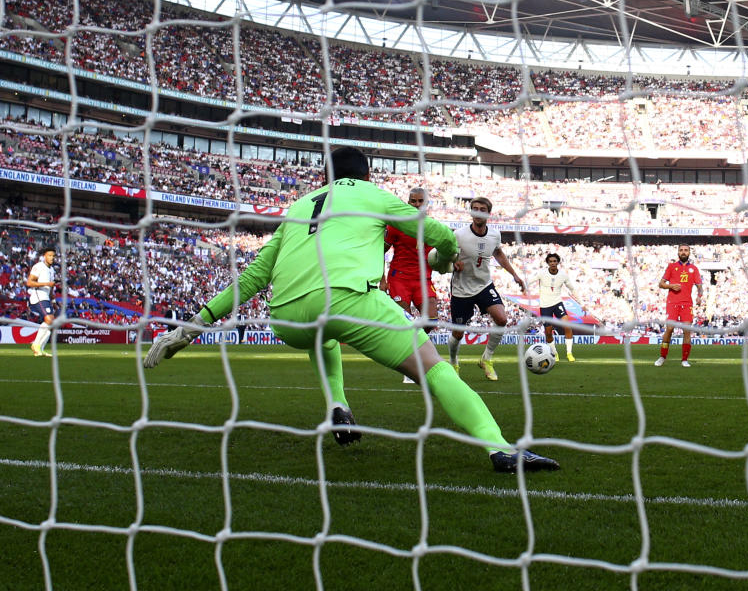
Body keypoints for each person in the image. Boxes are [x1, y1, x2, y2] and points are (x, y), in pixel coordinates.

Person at [143, 147, 558, 473]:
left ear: (325, 177)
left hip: (285, 316)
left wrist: (191, 327)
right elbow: (433, 232)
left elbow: (252, 278)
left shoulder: (297, 207)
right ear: (366, 176)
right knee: (434, 368)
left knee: (322, 332)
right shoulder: (372, 194)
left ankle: (337, 405)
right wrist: (446, 256)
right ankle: (500, 448)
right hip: (347, 299)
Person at [448, 197, 525, 381]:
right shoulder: (459, 234)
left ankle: (486, 359)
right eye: (474, 208)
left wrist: (514, 274)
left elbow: (497, 253)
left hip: (484, 284)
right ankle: (453, 362)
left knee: (502, 318)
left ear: (488, 213)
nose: (477, 212)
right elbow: (446, 254)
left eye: (482, 209)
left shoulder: (494, 235)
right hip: (461, 289)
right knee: (458, 332)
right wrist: (453, 261)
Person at [381, 187, 439, 384]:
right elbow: (379, 250)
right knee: (404, 323)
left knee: (431, 319)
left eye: (420, 201)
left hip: (424, 279)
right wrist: (382, 279)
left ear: (426, 203)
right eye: (412, 201)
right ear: (408, 202)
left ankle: (414, 353)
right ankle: (411, 367)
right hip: (400, 278)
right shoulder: (397, 224)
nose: (416, 205)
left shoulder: (432, 226)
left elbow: (440, 254)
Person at [655, 244, 702, 368]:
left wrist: (699, 296)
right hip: (672, 302)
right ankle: (662, 356)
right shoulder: (671, 267)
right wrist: (671, 286)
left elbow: (699, 286)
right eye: (681, 250)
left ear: (689, 253)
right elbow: (661, 284)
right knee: (669, 329)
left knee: (687, 330)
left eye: (686, 250)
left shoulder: (694, 269)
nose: (683, 252)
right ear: (678, 252)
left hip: (687, 303)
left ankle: (684, 359)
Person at [532, 252, 580, 362]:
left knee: (567, 326)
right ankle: (554, 353)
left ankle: (569, 353)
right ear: (548, 263)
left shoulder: (563, 275)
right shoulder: (542, 274)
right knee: (548, 332)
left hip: (558, 303)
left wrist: (582, 303)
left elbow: (572, 289)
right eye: (551, 261)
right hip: (545, 306)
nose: (553, 263)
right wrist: (524, 286)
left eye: (554, 261)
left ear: (558, 262)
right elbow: (530, 281)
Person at [26, 247, 57, 357]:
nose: (52, 258)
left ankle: (40, 349)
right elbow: (29, 283)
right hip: (38, 296)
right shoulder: (39, 266)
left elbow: (51, 288)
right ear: (44, 256)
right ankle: (36, 345)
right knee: (49, 320)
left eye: (53, 256)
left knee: (51, 323)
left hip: (46, 297)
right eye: (49, 255)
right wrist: (46, 284)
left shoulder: (52, 270)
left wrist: (53, 301)